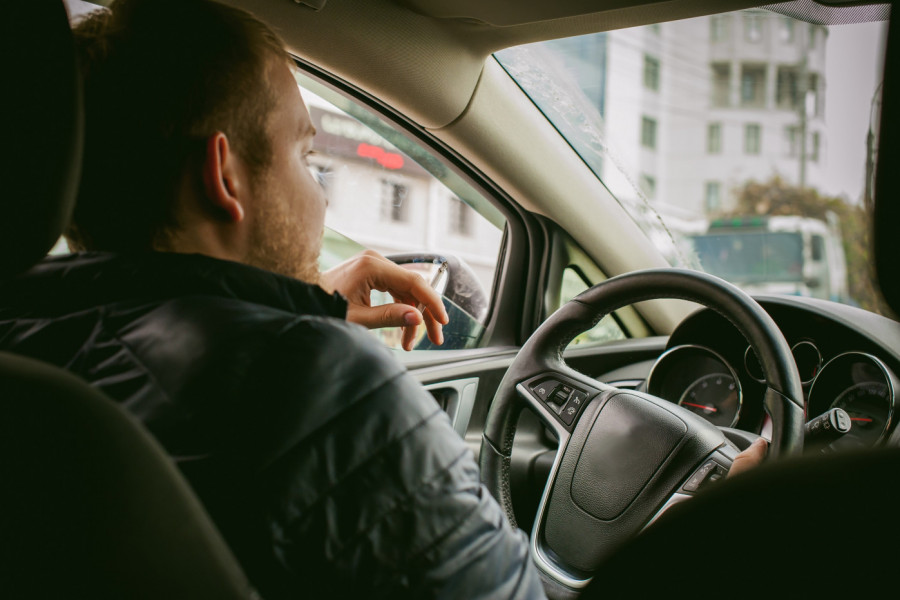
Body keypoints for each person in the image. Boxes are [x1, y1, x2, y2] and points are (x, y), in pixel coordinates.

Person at [0, 1, 764, 597]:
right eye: (306, 154)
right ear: (225, 176)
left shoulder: (25, 347)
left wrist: (289, 307)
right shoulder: (315, 384)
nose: (320, 195)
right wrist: (711, 522)